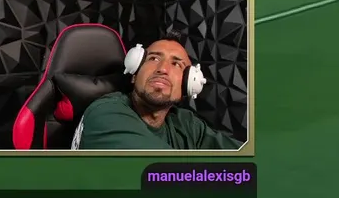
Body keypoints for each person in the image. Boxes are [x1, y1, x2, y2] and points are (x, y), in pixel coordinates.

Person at [72, 32, 242, 150]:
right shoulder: (106, 113)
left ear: (188, 84)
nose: (163, 69)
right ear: (134, 72)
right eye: (153, 58)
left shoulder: (187, 125)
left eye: (176, 64)